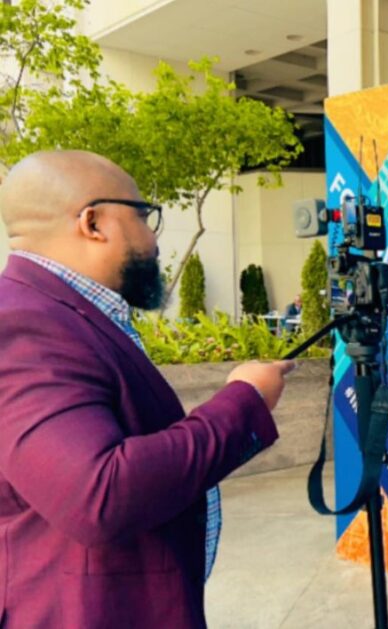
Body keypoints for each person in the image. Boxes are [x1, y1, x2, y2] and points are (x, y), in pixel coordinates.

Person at [0, 150, 295, 628]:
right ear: (93, 223)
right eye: (144, 215)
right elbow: (99, 495)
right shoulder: (22, 324)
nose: (154, 237)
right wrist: (244, 400)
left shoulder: (63, 312)